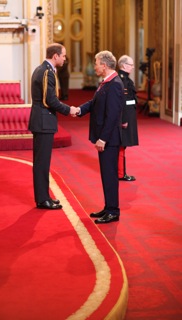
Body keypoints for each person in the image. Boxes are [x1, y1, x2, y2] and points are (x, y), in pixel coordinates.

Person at [75, 51, 124, 224]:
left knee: (110, 175)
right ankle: (108, 207)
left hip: (109, 139)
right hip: (106, 138)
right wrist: (79, 110)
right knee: (106, 174)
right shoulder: (107, 83)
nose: (94, 66)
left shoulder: (115, 84)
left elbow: (113, 116)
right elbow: (94, 103)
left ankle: (113, 211)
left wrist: (103, 138)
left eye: (96, 63)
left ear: (104, 65)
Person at [28, 43, 77, 210]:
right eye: (63, 55)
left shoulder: (41, 69)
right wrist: (69, 109)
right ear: (55, 56)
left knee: (42, 162)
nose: (64, 58)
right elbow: (50, 100)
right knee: (42, 163)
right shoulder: (46, 72)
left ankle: (45, 196)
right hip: (43, 121)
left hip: (41, 120)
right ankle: (42, 200)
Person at [118, 55, 139, 181]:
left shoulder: (125, 79)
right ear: (124, 65)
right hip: (125, 117)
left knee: (123, 145)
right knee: (122, 144)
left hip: (128, 115)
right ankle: (120, 174)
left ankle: (121, 173)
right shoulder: (123, 80)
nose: (132, 67)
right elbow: (123, 102)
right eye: (131, 65)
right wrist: (124, 119)